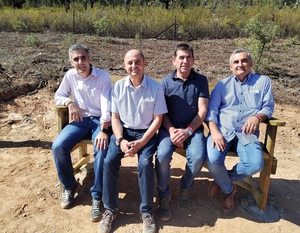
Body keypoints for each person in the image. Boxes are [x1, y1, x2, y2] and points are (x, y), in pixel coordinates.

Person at [98, 49, 167, 233]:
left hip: (146, 132)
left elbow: (158, 120)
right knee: (109, 160)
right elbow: (114, 118)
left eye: (138, 62)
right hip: (124, 131)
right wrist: (120, 140)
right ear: (125, 65)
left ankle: (146, 212)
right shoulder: (118, 87)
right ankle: (110, 209)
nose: (134, 66)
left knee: (145, 164)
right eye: (130, 63)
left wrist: (142, 142)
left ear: (144, 64)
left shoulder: (156, 87)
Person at [205, 48, 275, 214]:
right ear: (230, 66)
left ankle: (222, 181)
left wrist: (257, 117)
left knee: (255, 163)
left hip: (246, 133)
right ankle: (229, 190)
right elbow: (211, 111)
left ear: (250, 63)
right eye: (236, 62)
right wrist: (214, 132)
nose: (240, 64)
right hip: (223, 130)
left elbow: (268, 107)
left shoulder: (263, 82)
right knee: (213, 160)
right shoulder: (222, 85)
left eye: (244, 61)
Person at [52, 44, 111, 222]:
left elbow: (107, 103)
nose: (80, 62)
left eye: (83, 58)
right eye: (76, 59)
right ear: (71, 62)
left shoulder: (102, 76)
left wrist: (103, 129)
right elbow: (59, 95)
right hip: (80, 121)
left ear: (90, 58)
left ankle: (97, 196)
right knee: (58, 146)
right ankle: (70, 186)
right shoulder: (70, 76)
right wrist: (70, 103)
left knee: (101, 149)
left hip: (100, 120)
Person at [155, 43, 209, 221]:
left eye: (188, 57)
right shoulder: (165, 82)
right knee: (162, 156)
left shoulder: (201, 81)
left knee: (198, 157)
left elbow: (202, 111)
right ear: (174, 60)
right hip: (168, 129)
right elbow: (162, 112)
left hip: (192, 129)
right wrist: (171, 130)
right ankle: (163, 194)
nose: (185, 61)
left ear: (193, 60)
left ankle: (185, 186)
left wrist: (188, 131)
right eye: (181, 57)